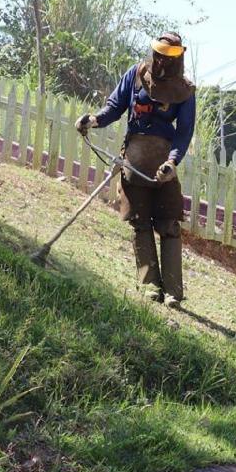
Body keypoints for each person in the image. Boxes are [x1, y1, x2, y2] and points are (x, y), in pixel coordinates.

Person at [75, 32, 196, 308]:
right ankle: (151, 286)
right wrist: (93, 120)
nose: (163, 61)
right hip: (134, 159)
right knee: (140, 222)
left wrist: (172, 162)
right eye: (159, 54)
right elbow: (114, 107)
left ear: (179, 58)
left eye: (170, 57)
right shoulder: (136, 74)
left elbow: (184, 132)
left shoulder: (185, 91)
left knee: (168, 224)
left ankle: (174, 292)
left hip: (164, 165)